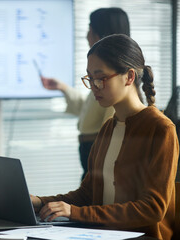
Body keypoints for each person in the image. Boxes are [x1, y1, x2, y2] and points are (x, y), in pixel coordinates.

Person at [31, 34, 179, 239]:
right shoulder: (108, 127)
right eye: (90, 78)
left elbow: (152, 209)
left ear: (129, 77)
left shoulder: (161, 129)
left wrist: (75, 213)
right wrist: (39, 202)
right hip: (103, 234)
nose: (94, 87)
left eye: (100, 78)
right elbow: (88, 193)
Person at [41, 8, 130, 179]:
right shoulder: (102, 76)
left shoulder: (113, 79)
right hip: (91, 156)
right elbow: (90, 109)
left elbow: (111, 129)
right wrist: (63, 88)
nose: (86, 36)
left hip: (99, 157)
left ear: (99, 35)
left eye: (89, 29)